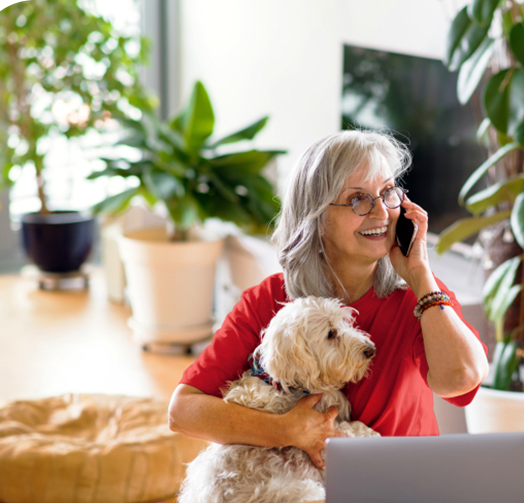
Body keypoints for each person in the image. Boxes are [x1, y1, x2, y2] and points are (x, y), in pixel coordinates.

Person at [168, 130, 489, 469]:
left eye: (388, 193)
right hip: (302, 501)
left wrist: (421, 273)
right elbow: (184, 411)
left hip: (400, 488)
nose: (381, 213)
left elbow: (462, 379)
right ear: (317, 217)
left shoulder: (420, 295)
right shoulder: (270, 300)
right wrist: (285, 430)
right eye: (358, 199)